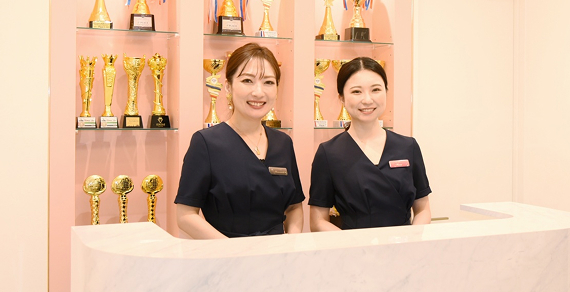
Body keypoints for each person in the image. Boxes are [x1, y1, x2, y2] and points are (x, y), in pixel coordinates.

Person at [175, 43, 304, 238]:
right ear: (228, 86)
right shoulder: (206, 143)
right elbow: (185, 215)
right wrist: (233, 250)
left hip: (279, 253)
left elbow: (294, 206)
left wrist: (292, 240)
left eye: (268, 82)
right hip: (227, 253)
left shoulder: (283, 143)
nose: (258, 92)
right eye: (247, 80)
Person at [309, 57, 431, 231]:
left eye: (375, 90)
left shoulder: (408, 147)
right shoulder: (329, 153)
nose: (367, 100)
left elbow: (423, 209)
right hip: (353, 246)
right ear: (341, 97)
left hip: (404, 245)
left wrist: (411, 239)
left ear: (386, 92)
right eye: (356, 91)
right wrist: (353, 244)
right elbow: (318, 221)